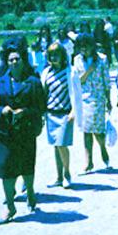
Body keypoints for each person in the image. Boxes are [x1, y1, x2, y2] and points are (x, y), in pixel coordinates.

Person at [0, 42, 46, 224]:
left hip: (26, 131)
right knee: (6, 169)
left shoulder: (33, 82)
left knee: (27, 166)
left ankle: (30, 192)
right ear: (7, 62)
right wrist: (1, 110)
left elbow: (41, 107)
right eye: (10, 59)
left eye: (17, 59)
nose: (14, 62)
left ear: (23, 60)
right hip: (5, 134)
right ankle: (10, 206)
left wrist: (25, 111)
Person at [71, 34, 111, 174]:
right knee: (86, 130)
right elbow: (78, 81)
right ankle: (88, 161)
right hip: (84, 99)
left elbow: (106, 81)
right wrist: (89, 71)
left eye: (86, 46)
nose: (84, 49)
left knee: (98, 130)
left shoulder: (102, 59)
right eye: (81, 46)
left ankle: (103, 149)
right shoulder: (77, 60)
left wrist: (109, 99)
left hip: (98, 99)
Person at [41, 43, 75, 188]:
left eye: (57, 55)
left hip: (65, 114)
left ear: (62, 56)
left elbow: (76, 93)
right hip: (51, 113)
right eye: (51, 55)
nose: (54, 57)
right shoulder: (46, 72)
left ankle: (67, 174)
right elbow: (43, 93)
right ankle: (58, 177)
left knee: (62, 145)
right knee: (56, 146)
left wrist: (74, 111)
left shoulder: (70, 72)